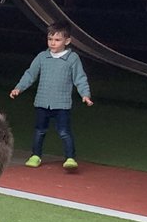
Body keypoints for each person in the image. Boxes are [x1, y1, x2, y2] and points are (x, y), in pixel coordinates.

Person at [10, 20, 92, 170]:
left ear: (67, 41)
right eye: (50, 39)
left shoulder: (72, 59)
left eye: (57, 40)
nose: (53, 43)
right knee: (40, 130)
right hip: (42, 102)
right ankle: (36, 155)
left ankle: (70, 158)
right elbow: (30, 74)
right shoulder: (42, 57)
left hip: (62, 104)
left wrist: (85, 94)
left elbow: (80, 78)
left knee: (64, 132)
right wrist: (19, 88)